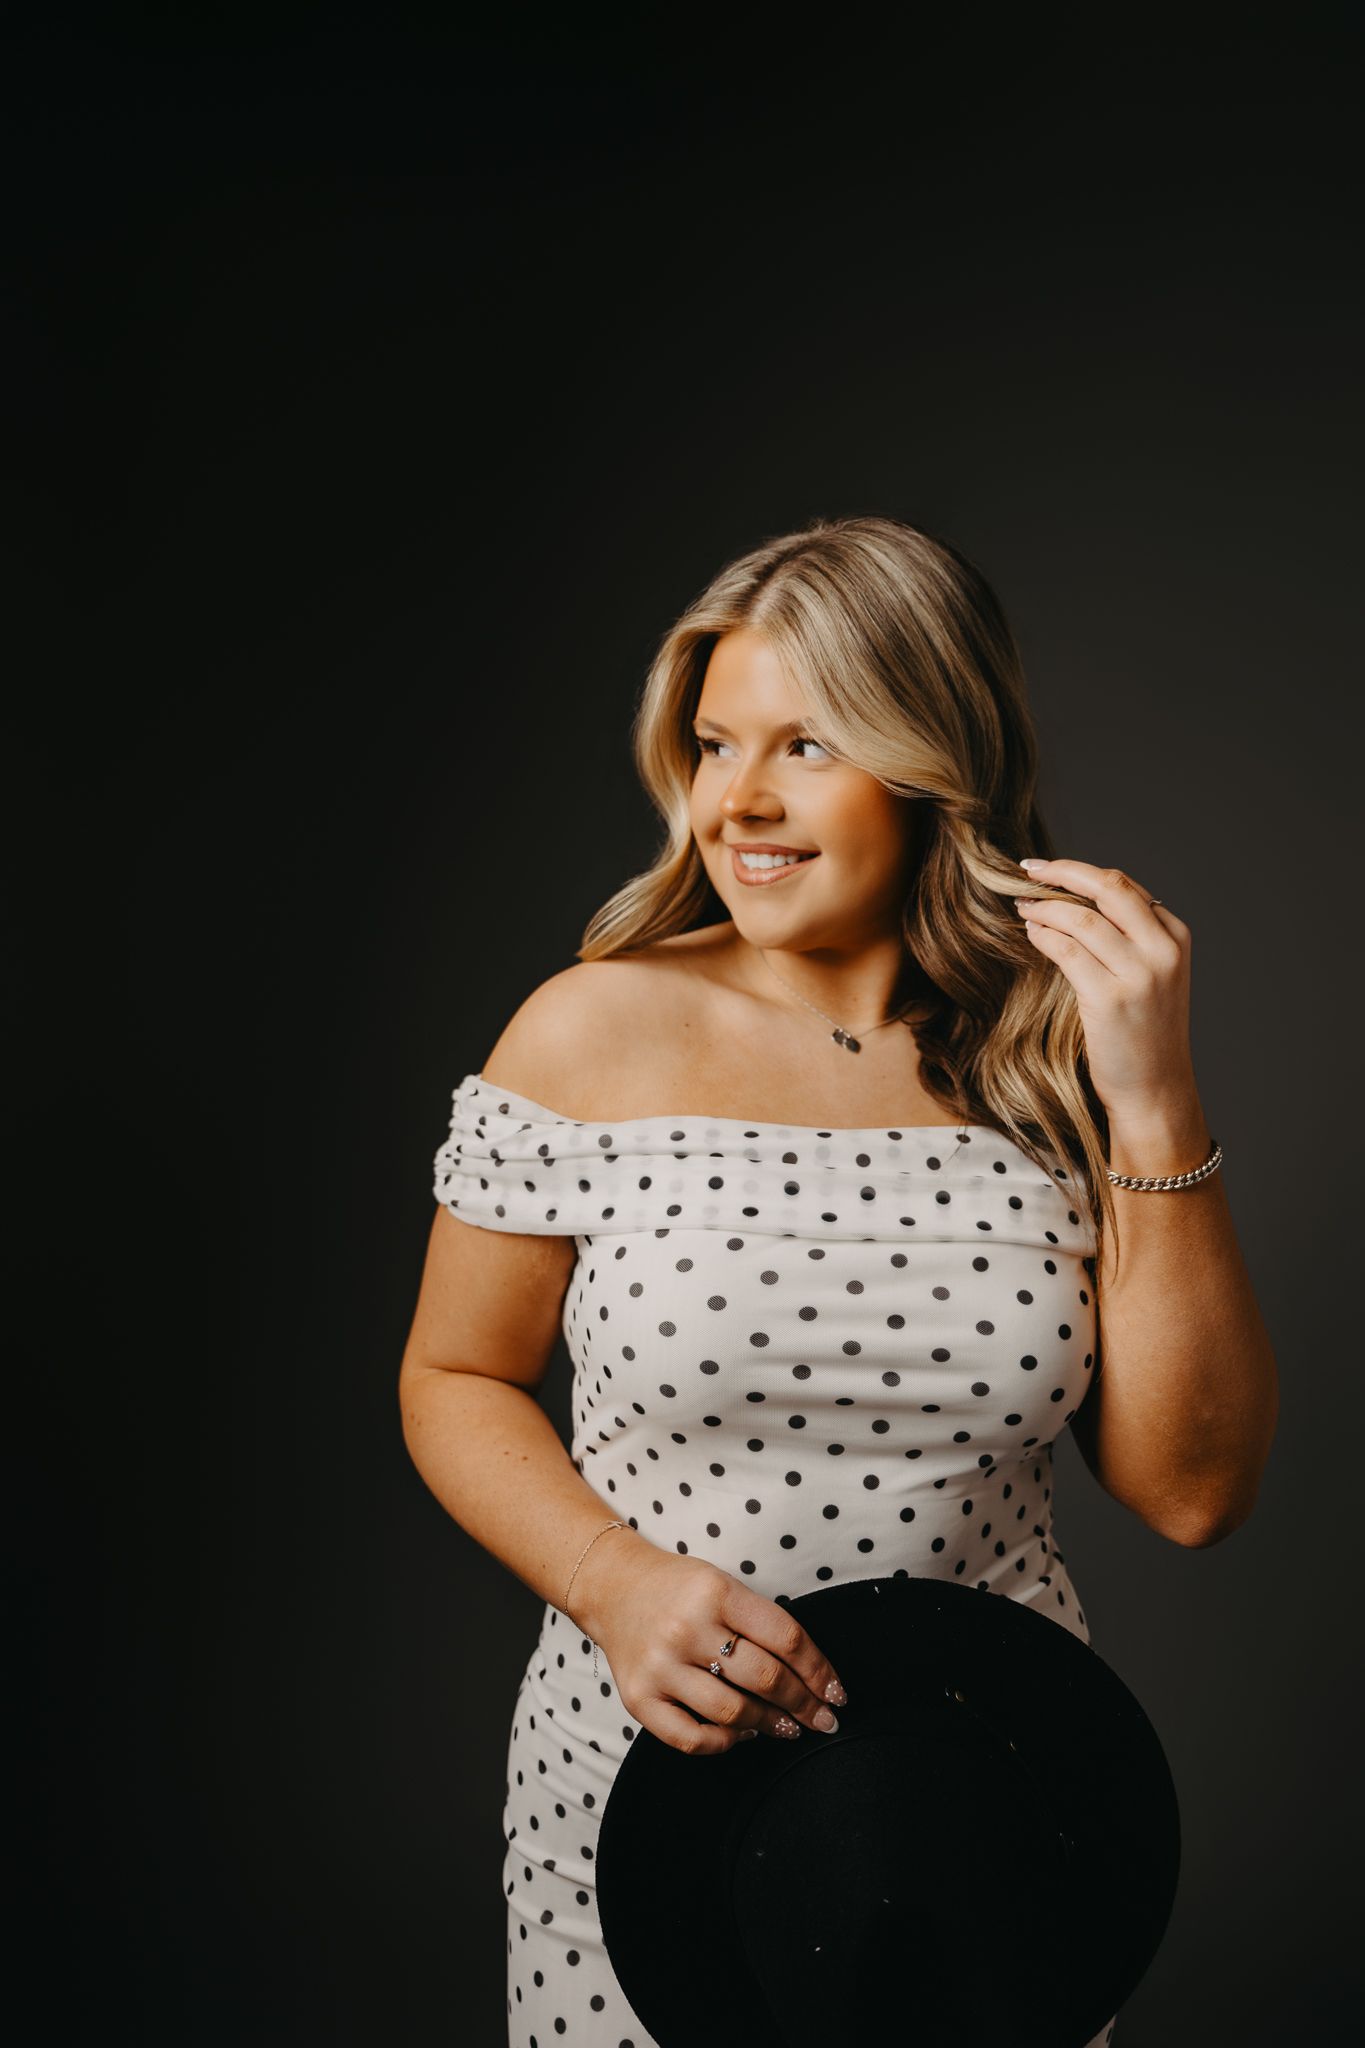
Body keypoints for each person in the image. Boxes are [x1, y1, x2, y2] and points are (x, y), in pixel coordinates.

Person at [398, 514, 1279, 2048]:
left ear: (933, 759)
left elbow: (1192, 1492)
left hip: (981, 1811)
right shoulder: (589, 1031)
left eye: (803, 744)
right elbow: (452, 1376)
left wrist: (1151, 1098)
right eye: (713, 744)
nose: (735, 801)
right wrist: (609, 1584)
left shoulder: (1056, 1052)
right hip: (648, 1802)